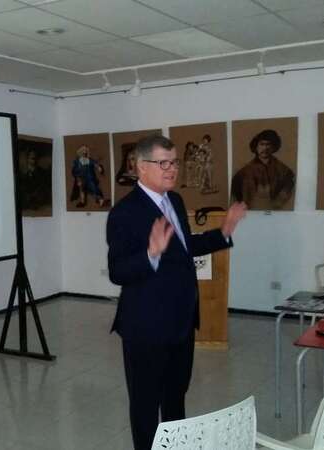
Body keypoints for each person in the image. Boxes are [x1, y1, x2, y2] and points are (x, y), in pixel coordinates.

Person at [106, 135, 247, 450]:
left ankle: (174, 445)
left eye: (175, 162)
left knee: (175, 395)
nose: (172, 170)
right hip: (145, 326)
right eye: (163, 163)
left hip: (181, 321)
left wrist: (223, 232)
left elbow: (185, 248)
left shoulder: (176, 200)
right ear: (142, 167)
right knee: (145, 403)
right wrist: (150, 254)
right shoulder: (124, 213)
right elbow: (118, 271)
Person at [230, 129, 295, 209]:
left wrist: (275, 205)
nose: (265, 148)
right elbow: (236, 194)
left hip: (275, 213)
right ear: (256, 147)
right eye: (262, 144)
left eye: (268, 144)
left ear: (274, 147)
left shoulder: (285, 171)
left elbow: (287, 192)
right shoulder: (243, 173)